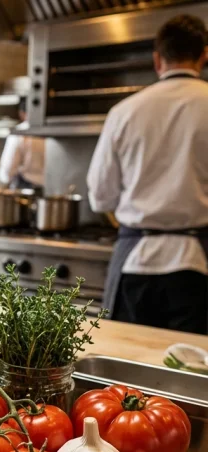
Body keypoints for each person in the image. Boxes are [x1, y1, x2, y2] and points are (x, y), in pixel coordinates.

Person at [87, 14, 208, 334]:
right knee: (191, 373)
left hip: (135, 265)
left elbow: (100, 196)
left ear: (157, 59)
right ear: (204, 55)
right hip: (197, 267)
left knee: (129, 371)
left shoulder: (124, 111)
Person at [0, 98, 45, 191]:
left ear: (22, 113)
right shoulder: (52, 130)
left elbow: (8, 169)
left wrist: (3, 180)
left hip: (24, 189)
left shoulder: (19, 133)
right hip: (49, 189)